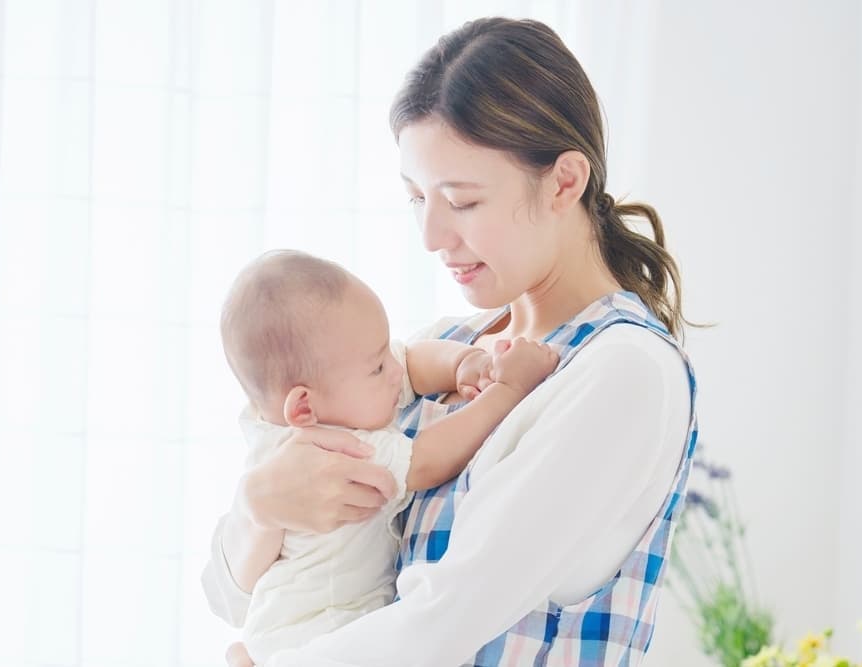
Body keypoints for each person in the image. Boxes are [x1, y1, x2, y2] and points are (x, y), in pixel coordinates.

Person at [205, 16, 699, 666]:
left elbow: (443, 619)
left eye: (461, 201)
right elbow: (237, 597)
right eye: (416, 198)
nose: (433, 235)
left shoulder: (623, 371)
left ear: (565, 181)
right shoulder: (442, 350)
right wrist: (259, 504)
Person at [208, 249, 559, 665]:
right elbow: (428, 460)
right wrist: (509, 390)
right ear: (304, 408)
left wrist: (463, 362)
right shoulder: (342, 447)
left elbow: (408, 362)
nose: (393, 370)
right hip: (320, 637)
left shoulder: (291, 416)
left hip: (277, 635)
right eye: (377, 367)